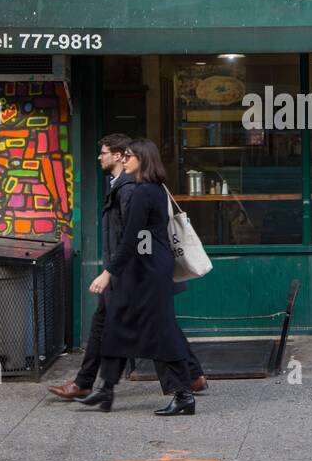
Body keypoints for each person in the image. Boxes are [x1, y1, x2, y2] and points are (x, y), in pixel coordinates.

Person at [48, 134, 205, 401]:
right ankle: (187, 379)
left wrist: (113, 272)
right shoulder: (126, 186)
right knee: (126, 325)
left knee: (148, 328)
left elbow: (135, 237)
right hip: (133, 269)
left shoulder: (134, 189)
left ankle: (181, 385)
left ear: (121, 156)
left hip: (135, 271)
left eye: (105, 152)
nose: (100, 157)